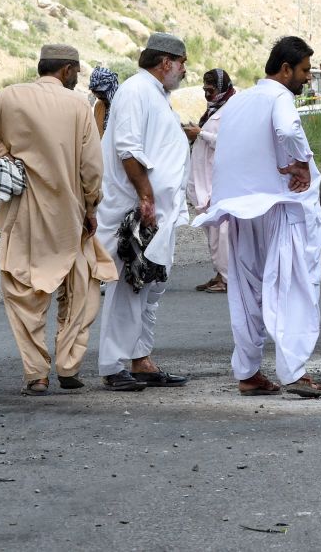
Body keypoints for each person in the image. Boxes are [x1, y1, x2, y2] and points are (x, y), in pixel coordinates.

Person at [0, 44, 115, 395]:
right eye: (77, 71)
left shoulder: (10, 96)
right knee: (80, 288)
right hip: (70, 214)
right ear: (68, 70)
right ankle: (69, 367)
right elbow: (91, 167)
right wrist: (91, 209)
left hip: (23, 213)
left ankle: (36, 374)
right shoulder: (78, 106)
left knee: (23, 290)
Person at [193, 36, 321, 399]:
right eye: (304, 71)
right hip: (278, 207)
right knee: (291, 286)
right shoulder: (278, 97)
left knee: (246, 291)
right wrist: (300, 161)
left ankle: (249, 373)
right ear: (285, 69)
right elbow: (286, 130)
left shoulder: (238, 103)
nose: (306, 78)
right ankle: (294, 372)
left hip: (240, 209)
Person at [97, 33, 191, 391]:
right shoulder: (137, 91)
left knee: (153, 284)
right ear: (165, 62)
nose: (184, 71)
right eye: (182, 63)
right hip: (136, 211)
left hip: (158, 213)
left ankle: (141, 359)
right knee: (130, 284)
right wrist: (147, 197)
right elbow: (127, 149)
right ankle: (112, 363)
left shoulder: (156, 95)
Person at [185, 68, 235, 294]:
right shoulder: (214, 110)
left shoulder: (232, 110)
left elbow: (230, 142)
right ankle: (220, 272)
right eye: (204, 90)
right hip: (204, 180)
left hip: (218, 181)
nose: (207, 94)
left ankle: (227, 278)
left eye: (211, 90)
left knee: (220, 233)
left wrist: (200, 134)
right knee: (212, 231)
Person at [89, 67, 119, 138]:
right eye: (96, 93)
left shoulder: (122, 104)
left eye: (102, 94)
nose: (98, 96)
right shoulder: (99, 105)